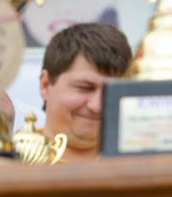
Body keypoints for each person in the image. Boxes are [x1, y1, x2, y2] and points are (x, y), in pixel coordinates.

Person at [38, 22, 131, 162]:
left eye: (111, 91)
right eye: (85, 88)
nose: (97, 106)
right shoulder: (10, 162)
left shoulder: (150, 167)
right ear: (45, 85)